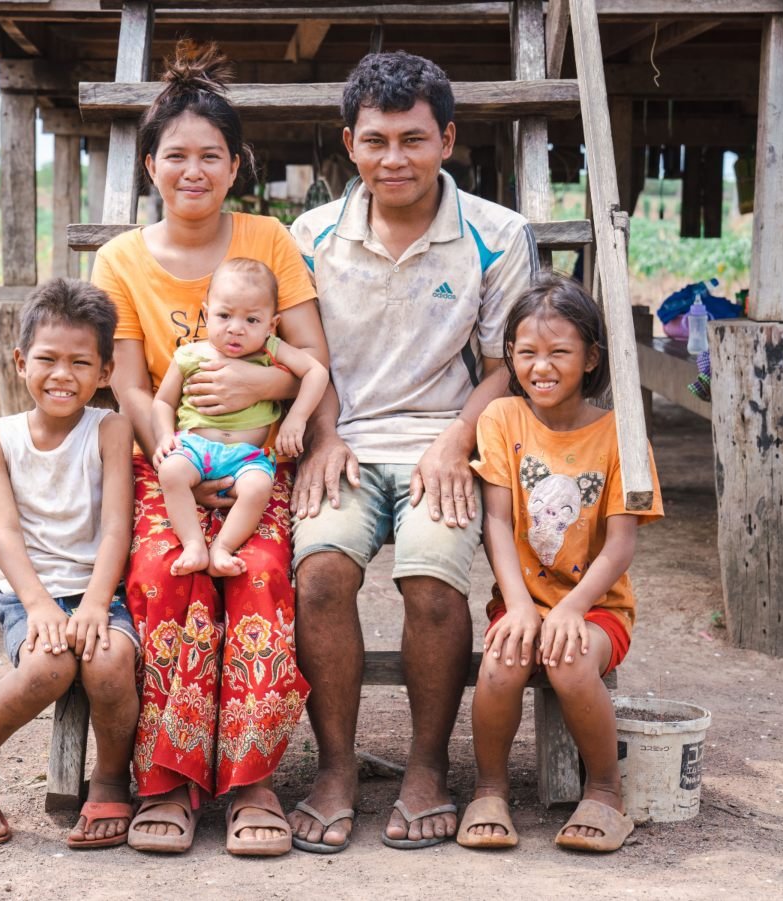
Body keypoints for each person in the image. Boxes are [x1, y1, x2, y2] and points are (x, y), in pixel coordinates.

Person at [287, 51, 539, 852]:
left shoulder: (498, 237)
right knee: (321, 574)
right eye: (375, 140)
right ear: (348, 144)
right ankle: (334, 767)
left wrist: (456, 439)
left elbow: (509, 364)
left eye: (413, 139)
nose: (394, 158)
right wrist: (323, 435)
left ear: (448, 139)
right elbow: (308, 355)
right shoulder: (312, 235)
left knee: (432, 581)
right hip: (346, 442)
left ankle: (428, 767)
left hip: (447, 439)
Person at [91, 40, 329, 856]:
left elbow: (308, 358)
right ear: (150, 165)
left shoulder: (268, 239)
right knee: (166, 573)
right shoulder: (119, 259)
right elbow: (129, 385)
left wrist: (260, 393)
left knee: (258, 574)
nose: (194, 170)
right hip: (171, 462)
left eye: (212, 156)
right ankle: (168, 778)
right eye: (177, 155)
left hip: (260, 461)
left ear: (237, 165)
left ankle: (253, 777)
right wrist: (174, 459)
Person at [458, 273, 662, 853]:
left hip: (597, 608)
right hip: (522, 600)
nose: (540, 366)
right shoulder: (501, 419)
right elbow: (496, 521)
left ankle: (605, 793)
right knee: (500, 662)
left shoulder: (621, 433)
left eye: (559, 353)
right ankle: (489, 789)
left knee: (571, 663)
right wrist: (519, 604)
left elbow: (621, 543)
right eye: (526, 353)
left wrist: (572, 608)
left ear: (591, 356)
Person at [0, 279, 139, 849]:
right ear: (19, 361)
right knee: (49, 665)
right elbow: (4, 532)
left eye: (81, 362)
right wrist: (37, 606)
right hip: (28, 595)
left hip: (101, 591)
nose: (63, 375)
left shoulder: (110, 429)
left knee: (107, 663)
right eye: (48, 359)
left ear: (104, 371)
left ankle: (108, 779)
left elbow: (115, 528)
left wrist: (99, 603)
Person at [152, 258, 329, 579]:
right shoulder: (191, 355)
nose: (236, 328)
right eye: (224, 315)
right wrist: (165, 435)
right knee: (171, 471)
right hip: (195, 448)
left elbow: (316, 371)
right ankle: (193, 544)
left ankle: (222, 547)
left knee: (259, 486)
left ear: (271, 325)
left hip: (247, 458)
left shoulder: (271, 350)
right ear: (206, 313)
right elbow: (163, 401)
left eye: (251, 319)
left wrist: (297, 418)